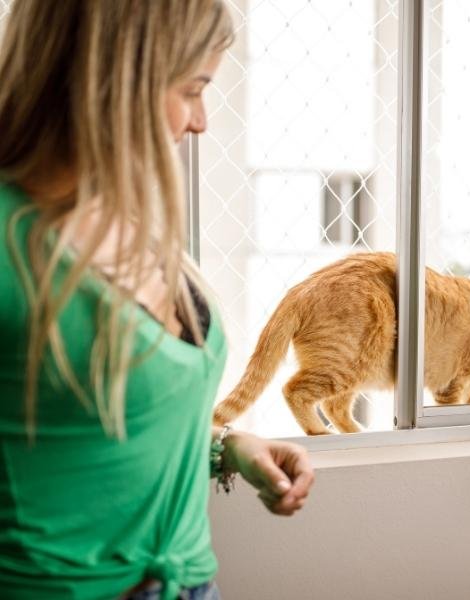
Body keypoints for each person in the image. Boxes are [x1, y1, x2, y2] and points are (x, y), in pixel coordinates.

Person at [0, 1, 315, 598]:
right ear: (115, 79)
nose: (201, 122)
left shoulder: (127, 215)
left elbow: (96, 425)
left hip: (193, 583)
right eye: (193, 89)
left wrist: (227, 448)